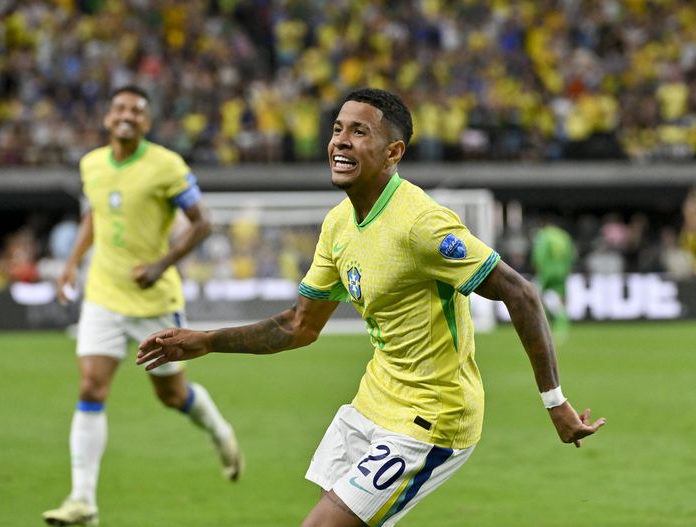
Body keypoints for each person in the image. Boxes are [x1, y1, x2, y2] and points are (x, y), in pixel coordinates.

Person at [136, 88, 606, 527]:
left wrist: (554, 401)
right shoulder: (338, 224)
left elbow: (520, 292)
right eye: (338, 128)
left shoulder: (421, 223)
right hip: (373, 401)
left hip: (432, 416)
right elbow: (299, 326)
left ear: (393, 153)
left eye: (359, 132)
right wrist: (206, 342)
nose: (340, 141)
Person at [42, 85, 243, 527]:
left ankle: (219, 431)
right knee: (92, 387)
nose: (126, 114)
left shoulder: (166, 165)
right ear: (108, 117)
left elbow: (202, 223)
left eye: (136, 110)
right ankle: (82, 501)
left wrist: (160, 264)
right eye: (119, 108)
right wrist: (70, 265)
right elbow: (95, 213)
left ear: (147, 123)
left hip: (154, 300)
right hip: (102, 294)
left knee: (171, 395)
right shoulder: (91, 163)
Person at [530, 217, 577, 342]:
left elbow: (539, 255)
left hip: (546, 273)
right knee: (560, 302)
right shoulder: (564, 236)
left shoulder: (543, 236)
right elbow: (571, 256)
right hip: (561, 272)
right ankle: (562, 330)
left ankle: (542, 329)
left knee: (536, 298)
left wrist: (537, 269)